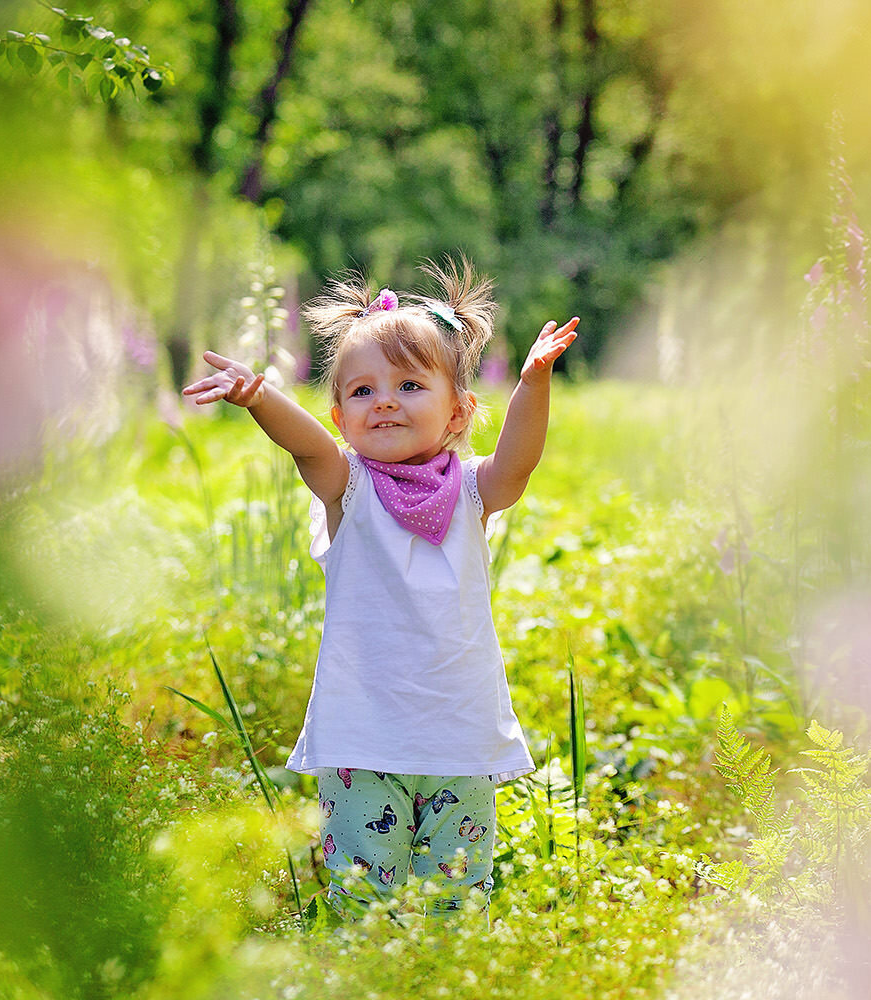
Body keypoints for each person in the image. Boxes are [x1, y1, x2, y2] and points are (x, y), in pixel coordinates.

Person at [182, 259, 578, 918]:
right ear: (340, 415)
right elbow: (309, 449)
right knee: (364, 906)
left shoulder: (474, 493)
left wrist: (534, 382)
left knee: (454, 910)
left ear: (459, 413)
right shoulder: (351, 488)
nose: (385, 400)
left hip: (461, 741)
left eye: (409, 384)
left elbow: (518, 460)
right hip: (363, 744)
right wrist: (259, 397)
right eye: (362, 391)